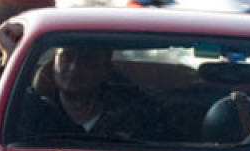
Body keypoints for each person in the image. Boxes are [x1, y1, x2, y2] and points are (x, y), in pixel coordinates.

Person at [18, 45, 173, 142]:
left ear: (106, 69)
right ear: (54, 62)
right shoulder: (27, 110)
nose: (73, 68)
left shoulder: (138, 115)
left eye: (87, 61)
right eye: (66, 57)